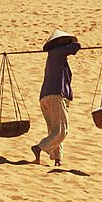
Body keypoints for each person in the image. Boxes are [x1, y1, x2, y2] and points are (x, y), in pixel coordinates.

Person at [31, 29, 80, 166]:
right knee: (62, 131)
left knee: (54, 131)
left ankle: (58, 159)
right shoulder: (58, 53)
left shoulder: (54, 56)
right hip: (56, 96)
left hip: (46, 96)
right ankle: (39, 148)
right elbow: (76, 46)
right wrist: (69, 45)